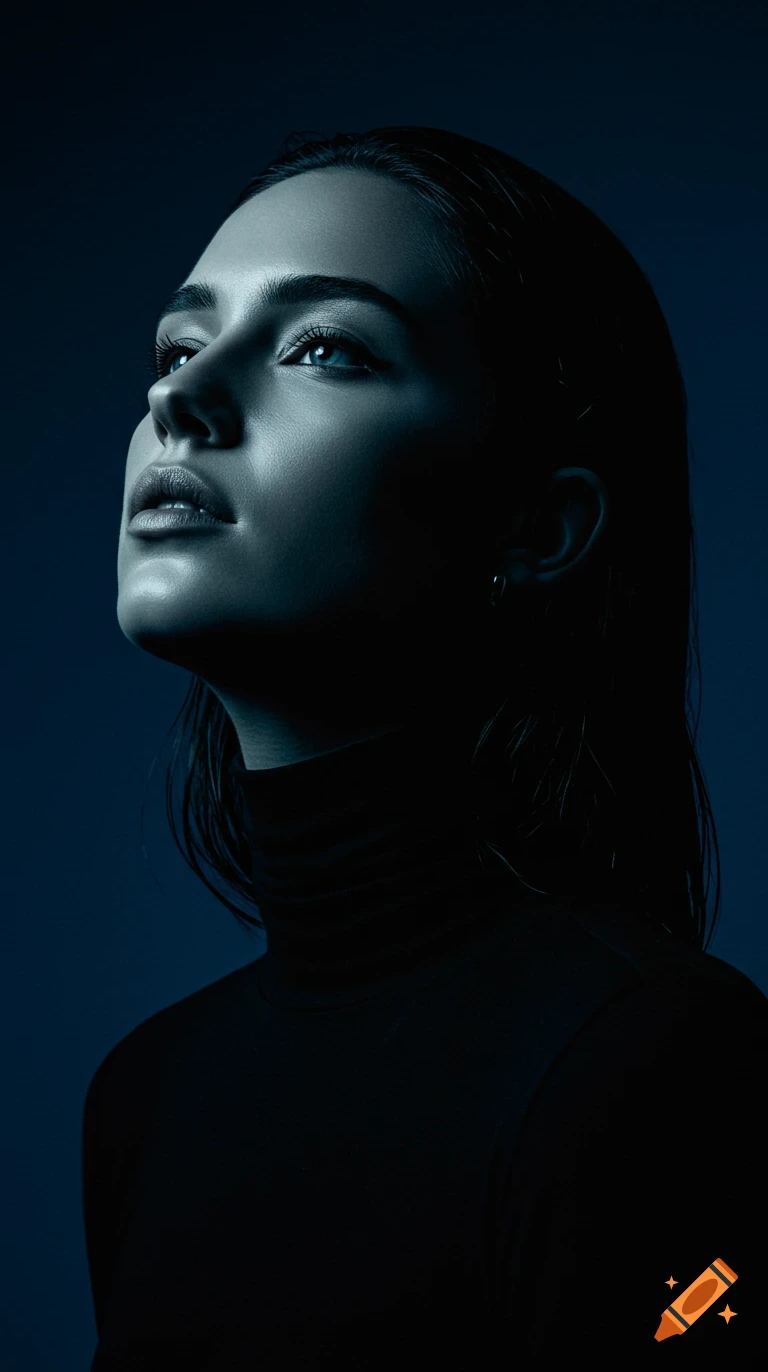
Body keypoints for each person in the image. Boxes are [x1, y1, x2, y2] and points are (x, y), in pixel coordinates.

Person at [82, 126, 768, 1370]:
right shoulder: (144, 1100)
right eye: (179, 345)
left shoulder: (651, 1066)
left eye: (322, 348)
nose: (176, 396)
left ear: (542, 525)